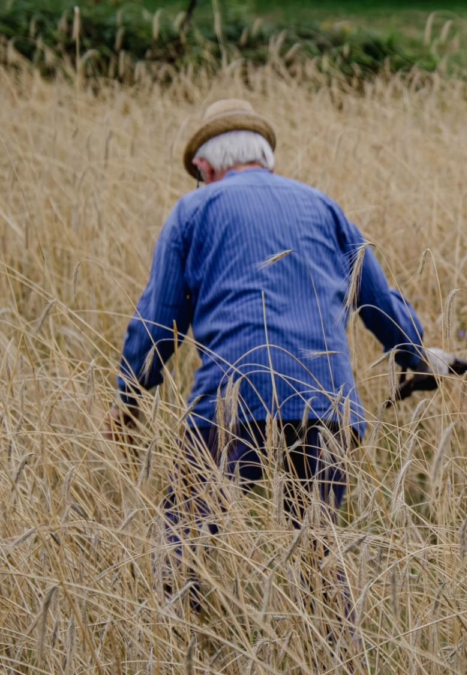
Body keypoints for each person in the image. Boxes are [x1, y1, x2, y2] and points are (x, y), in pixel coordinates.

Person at [102, 99, 438, 620]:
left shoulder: (193, 210)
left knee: (183, 545)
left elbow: (158, 322)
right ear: (267, 161)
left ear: (204, 169)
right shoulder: (324, 207)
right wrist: (413, 354)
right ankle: (333, 656)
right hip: (328, 402)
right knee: (318, 555)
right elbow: (376, 300)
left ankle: (181, 644)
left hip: (232, 401)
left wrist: (129, 395)